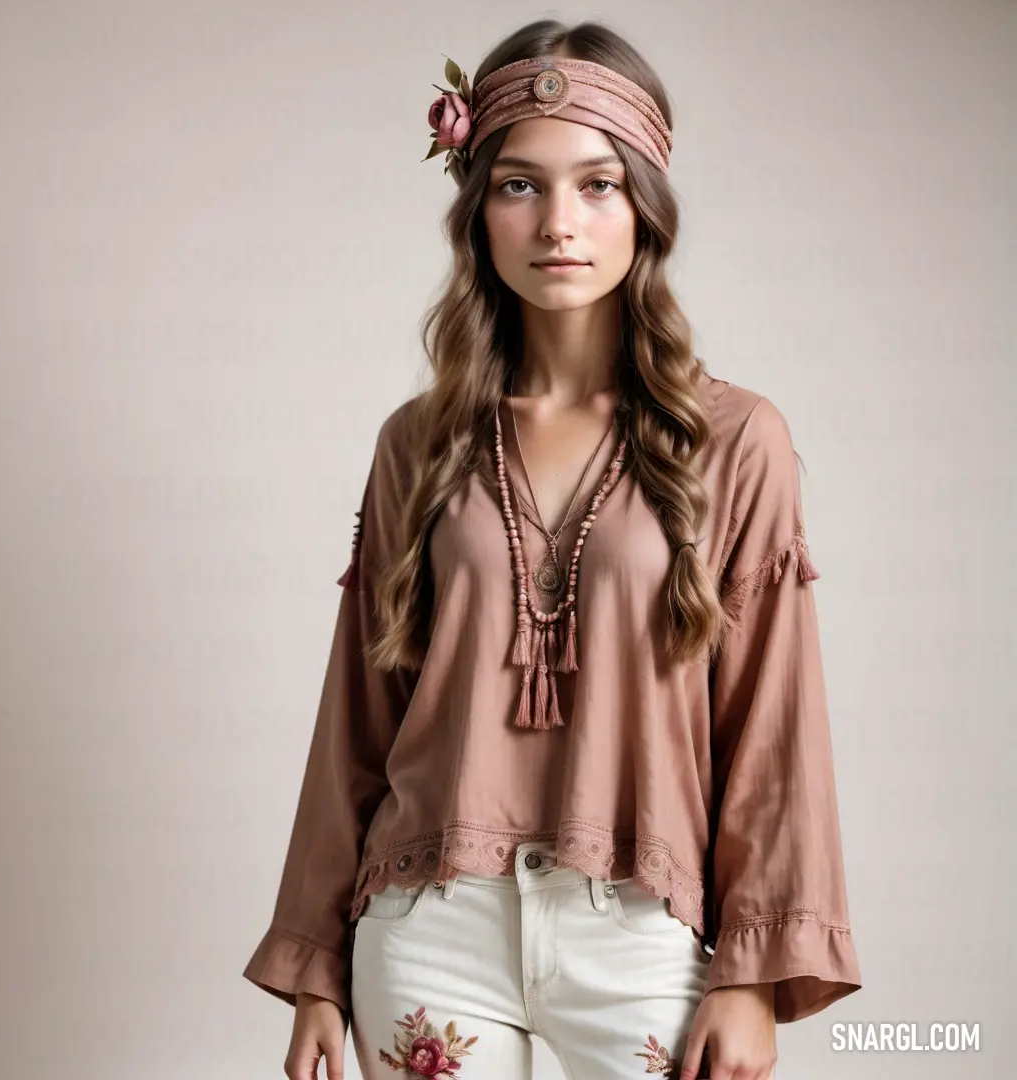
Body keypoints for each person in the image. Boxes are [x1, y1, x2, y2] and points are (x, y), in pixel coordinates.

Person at [243, 18, 862, 1080]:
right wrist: (315, 965)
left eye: (599, 185)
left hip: (637, 934)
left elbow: (773, 720)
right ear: (477, 207)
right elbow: (360, 706)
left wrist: (752, 975)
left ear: (647, 209)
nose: (559, 223)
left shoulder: (737, 442)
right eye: (520, 185)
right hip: (428, 925)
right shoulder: (420, 442)